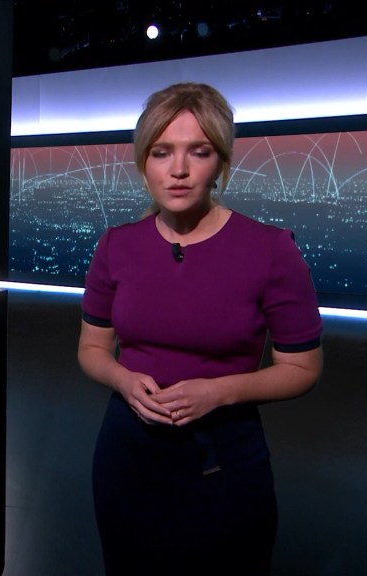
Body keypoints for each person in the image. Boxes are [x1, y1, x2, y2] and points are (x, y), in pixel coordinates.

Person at [77, 82, 323, 575]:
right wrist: (124, 380)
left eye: (199, 151)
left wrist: (217, 392)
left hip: (224, 463)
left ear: (221, 162)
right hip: (127, 459)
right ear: (144, 162)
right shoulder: (116, 245)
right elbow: (92, 348)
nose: (179, 169)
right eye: (162, 152)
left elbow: (302, 368)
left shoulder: (271, 250)